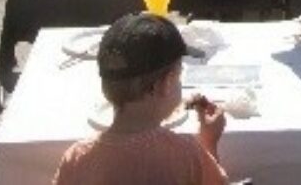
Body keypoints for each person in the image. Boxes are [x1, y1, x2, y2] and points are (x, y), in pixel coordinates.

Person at [52, 12, 228, 185]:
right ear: (165, 84)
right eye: (179, 74)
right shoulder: (187, 154)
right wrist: (209, 141)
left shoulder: (76, 159)